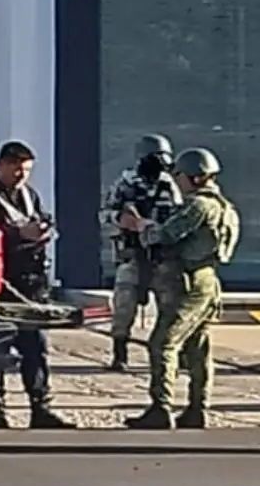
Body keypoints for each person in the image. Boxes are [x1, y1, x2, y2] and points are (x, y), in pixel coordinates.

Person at [121, 147, 242, 429]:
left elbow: (165, 235)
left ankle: (161, 407)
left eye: (179, 175)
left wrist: (141, 225)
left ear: (195, 178)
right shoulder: (226, 207)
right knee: (198, 346)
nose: (176, 181)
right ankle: (198, 407)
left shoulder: (198, 205)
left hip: (188, 282)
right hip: (207, 280)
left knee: (163, 343)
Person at [0, 141, 74, 430]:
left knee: (36, 346)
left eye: (26, 170)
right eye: (17, 169)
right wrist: (18, 234)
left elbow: (38, 218)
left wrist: (41, 231)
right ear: (2, 164)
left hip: (30, 284)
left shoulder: (28, 195)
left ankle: (40, 407)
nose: (21, 176)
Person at [101, 134, 181, 371]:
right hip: (133, 253)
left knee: (171, 306)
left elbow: (179, 215)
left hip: (161, 255)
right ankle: (119, 353)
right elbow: (104, 214)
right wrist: (124, 221)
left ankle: (174, 352)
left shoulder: (170, 184)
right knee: (124, 304)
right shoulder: (125, 183)